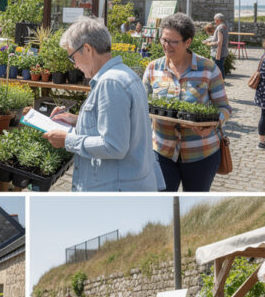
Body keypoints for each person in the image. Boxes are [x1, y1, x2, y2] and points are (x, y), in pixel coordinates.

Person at [43, 17, 163, 191]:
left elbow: (113, 146)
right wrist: (76, 120)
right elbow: (119, 126)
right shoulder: (124, 74)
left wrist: (67, 141)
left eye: (73, 57)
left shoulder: (110, 83)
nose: (75, 65)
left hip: (115, 189)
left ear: (87, 49)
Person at [143, 12, 232, 192]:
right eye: (163, 40)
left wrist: (214, 123)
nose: (166, 46)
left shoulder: (208, 68)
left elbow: (224, 107)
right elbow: (141, 105)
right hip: (162, 152)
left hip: (201, 153)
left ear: (188, 42)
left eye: (173, 42)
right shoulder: (153, 68)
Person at [204, 13, 230, 78]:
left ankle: (220, 81)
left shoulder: (220, 28)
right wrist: (207, 40)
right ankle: (220, 81)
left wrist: (209, 44)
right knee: (220, 67)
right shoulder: (224, 26)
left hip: (218, 51)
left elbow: (219, 42)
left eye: (215, 19)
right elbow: (215, 38)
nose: (214, 21)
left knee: (218, 68)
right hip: (223, 51)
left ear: (218, 20)